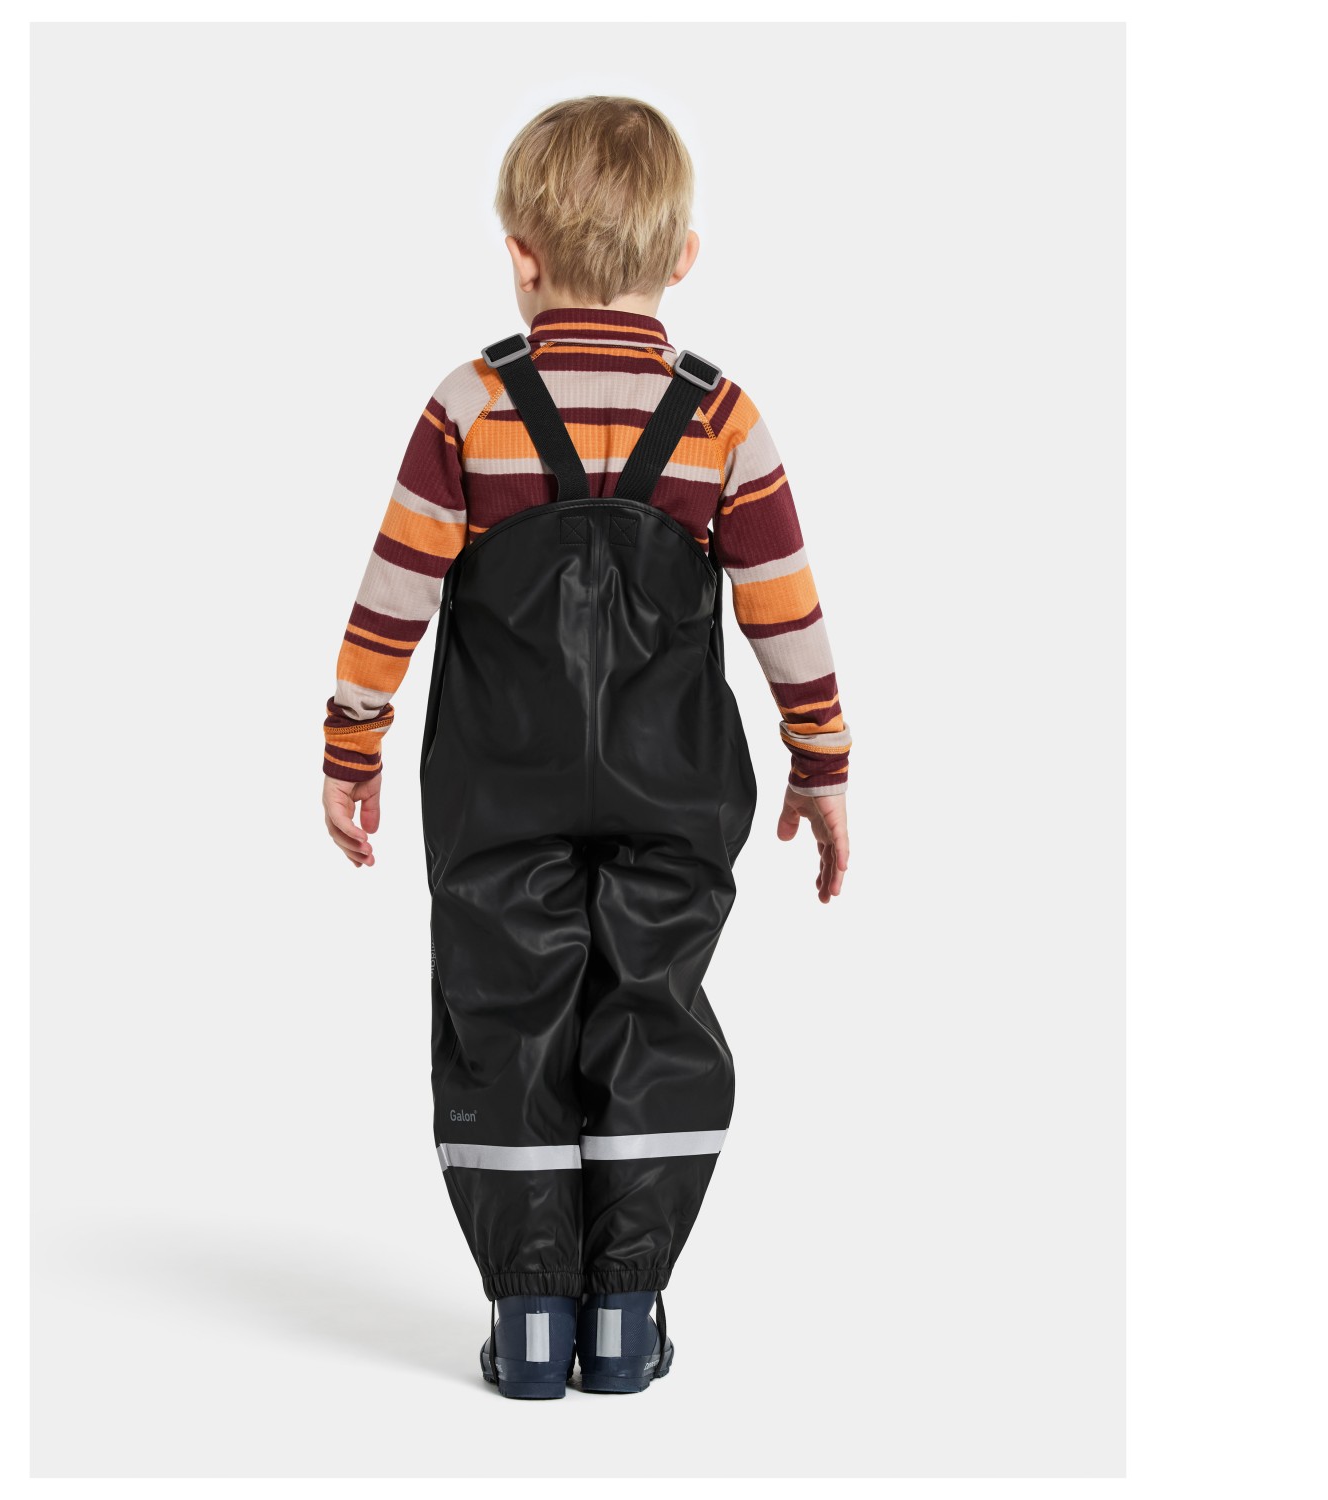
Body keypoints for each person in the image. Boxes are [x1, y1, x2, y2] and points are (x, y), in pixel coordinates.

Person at [321, 96, 851, 1398]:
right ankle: (625, 1312)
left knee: (505, 1020)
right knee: (653, 1013)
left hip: (496, 793)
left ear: (521, 253)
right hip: (678, 788)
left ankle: (528, 1319)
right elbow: (785, 608)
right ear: (684, 257)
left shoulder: (470, 408)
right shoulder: (721, 421)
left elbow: (394, 594)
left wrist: (352, 742)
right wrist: (821, 762)